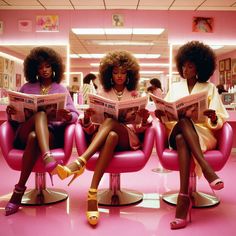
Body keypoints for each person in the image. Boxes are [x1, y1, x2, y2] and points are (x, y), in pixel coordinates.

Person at [56, 50, 151, 226]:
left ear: (130, 74)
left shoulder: (135, 94)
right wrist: (87, 118)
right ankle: (92, 193)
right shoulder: (102, 92)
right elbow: (93, 128)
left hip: (128, 139)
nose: (119, 76)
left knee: (113, 126)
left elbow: (139, 127)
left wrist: (144, 118)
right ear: (109, 74)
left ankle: (80, 162)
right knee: (111, 132)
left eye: (123, 72)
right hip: (109, 137)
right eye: (115, 72)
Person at [155, 41, 229, 230]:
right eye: (183, 65)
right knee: (183, 124)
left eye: (190, 65)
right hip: (177, 130)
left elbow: (220, 119)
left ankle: (183, 198)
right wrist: (164, 115)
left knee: (182, 138)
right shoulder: (175, 88)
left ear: (200, 67)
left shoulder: (210, 88)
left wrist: (213, 117)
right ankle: (206, 168)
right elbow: (170, 117)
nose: (185, 69)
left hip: (202, 135)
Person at [5, 46, 79, 216]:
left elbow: (75, 114)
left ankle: (19, 191)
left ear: (54, 67)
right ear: (34, 69)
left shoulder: (61, 89)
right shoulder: (26, 87)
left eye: (47, 66)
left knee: (34, 137)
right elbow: (14, 119)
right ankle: (48, 158)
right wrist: (12, 113)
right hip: (23, 132)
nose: (44, 70)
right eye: (40, 67)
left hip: (50, 135)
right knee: (38, 116)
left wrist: (67, 117)